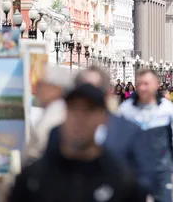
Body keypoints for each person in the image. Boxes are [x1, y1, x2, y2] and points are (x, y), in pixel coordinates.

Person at [8, 80, 146, 202]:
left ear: (103, 118)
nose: (79, 119)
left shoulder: (120, 180)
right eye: (73, 109)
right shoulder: (34, 179)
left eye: (88, 110)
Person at [46, 66, 155, 196]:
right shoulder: (58, 133)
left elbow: (144, 179)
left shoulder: (129, 132)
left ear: (107, 94)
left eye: (93, 93)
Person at [118, 69, 173, 202]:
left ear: (156, 84)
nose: (143, 88)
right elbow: (116, 142)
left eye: (147, 84)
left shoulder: (167, 109)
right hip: (133, 172)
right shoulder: (126, 110)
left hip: (161, 170)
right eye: (140, 84)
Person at [24, 65, 68, 164]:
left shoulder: (57, 114)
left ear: (56, 89)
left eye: (41, 85)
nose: (37, 89)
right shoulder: (52, 110)